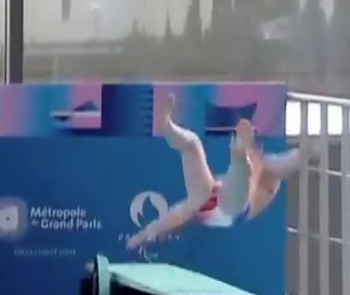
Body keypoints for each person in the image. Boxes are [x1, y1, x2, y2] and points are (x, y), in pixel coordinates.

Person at [127, 93, 309, 250]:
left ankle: (239, 155)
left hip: (229, 209)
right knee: (192, 144)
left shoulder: (267, 177)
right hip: (220, 197)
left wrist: (141, 237)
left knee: (238, 177)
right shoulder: (263, 173)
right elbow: (174, 216)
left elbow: (173, 217)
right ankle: (168, 126)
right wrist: (142, 236)